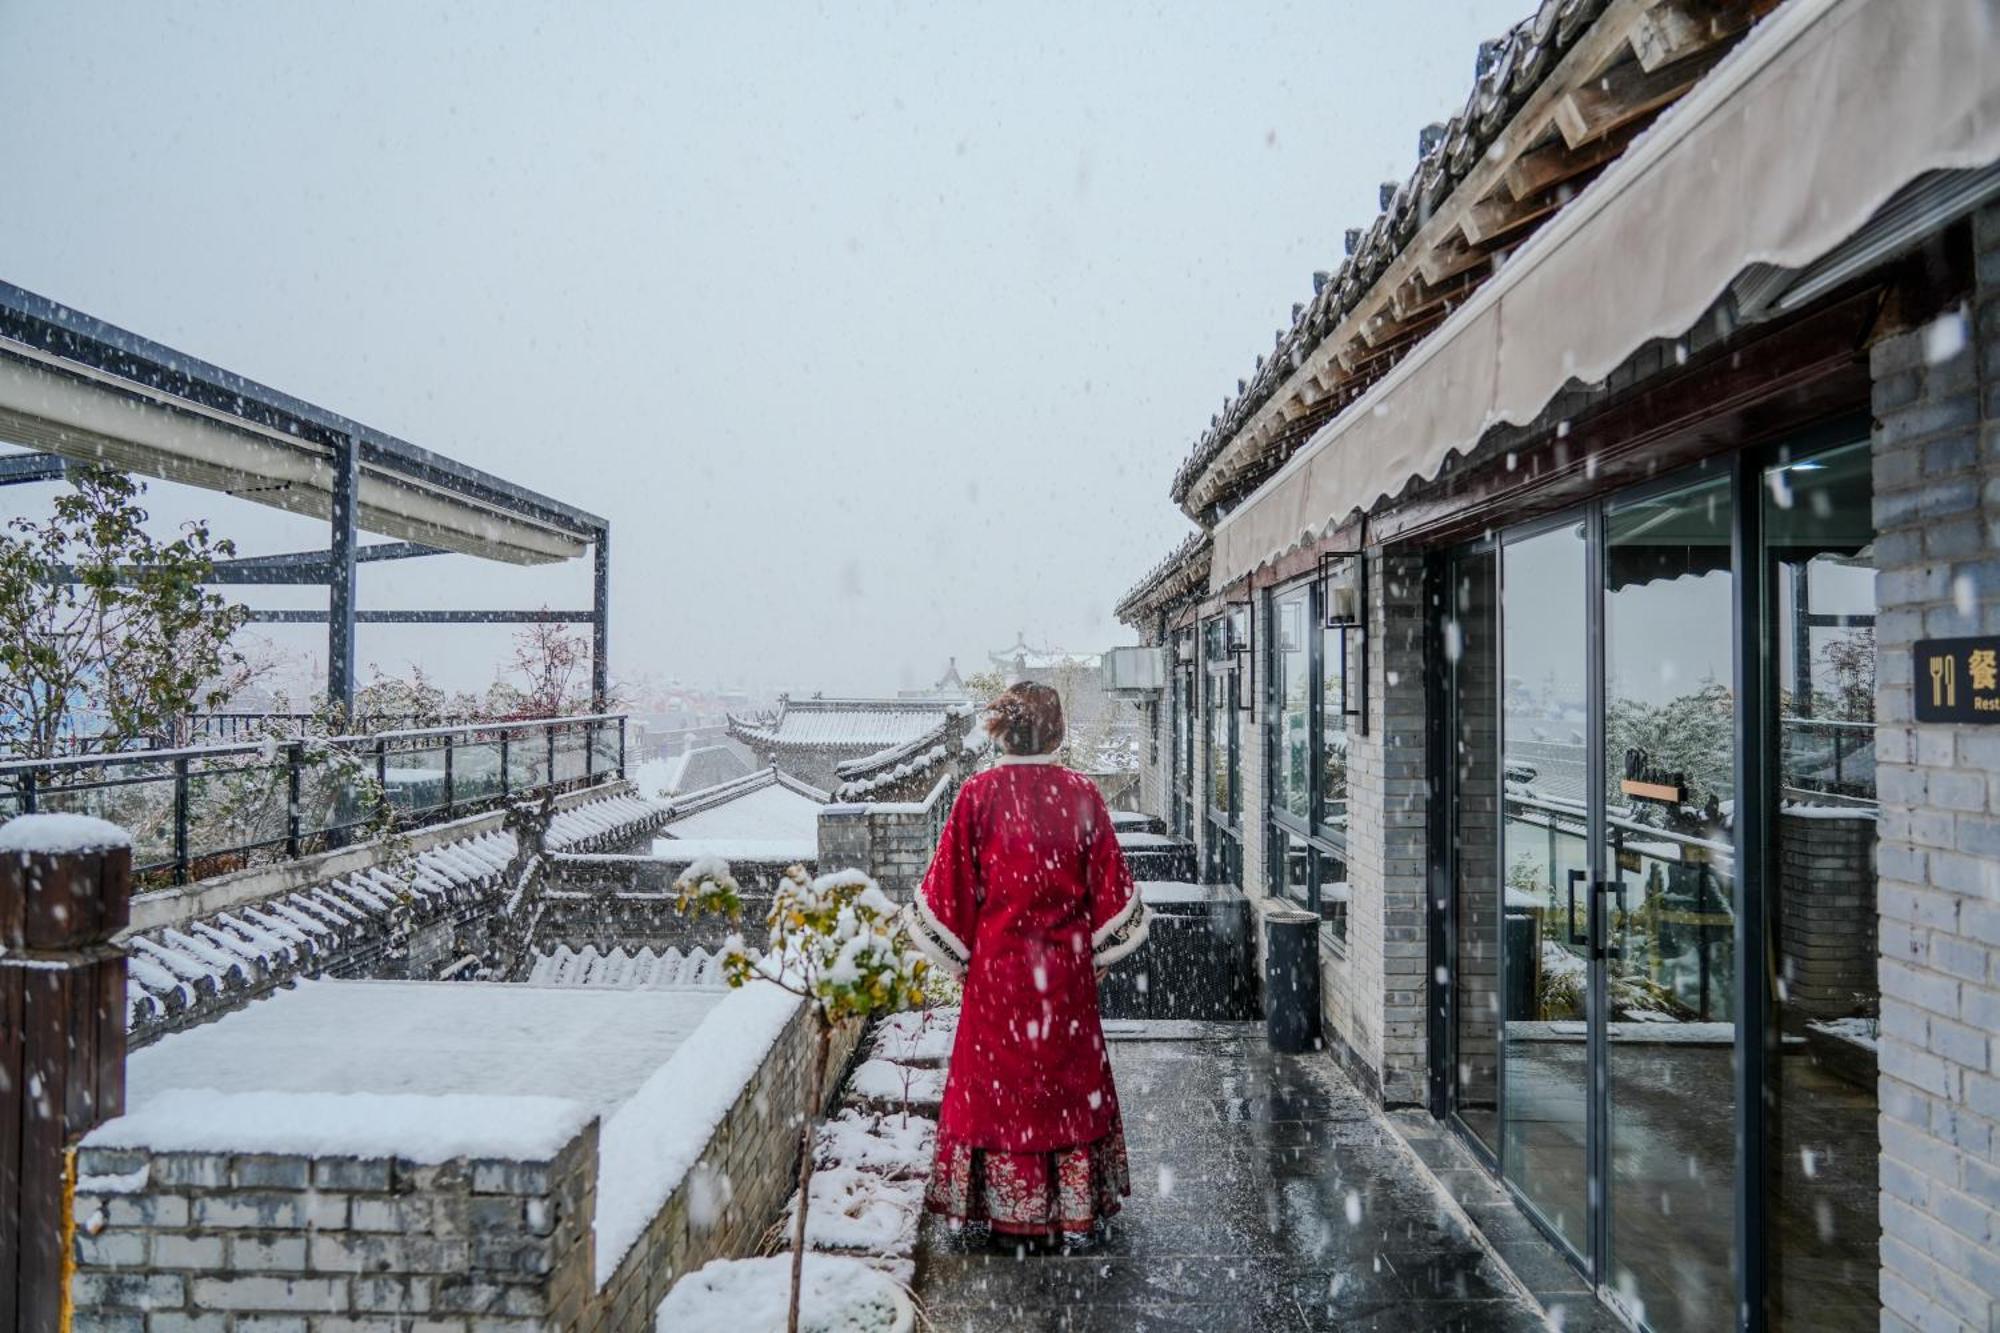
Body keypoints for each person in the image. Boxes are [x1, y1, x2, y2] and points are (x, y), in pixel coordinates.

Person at [910, 680, 1150, 1250]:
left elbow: (948, 899)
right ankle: (1070, 1210)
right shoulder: (1082, 795)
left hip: (996, 981)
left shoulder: (977, 796)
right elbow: (1113, 901)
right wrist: (1091, 960)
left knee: (997, 1098)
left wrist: (966, 965)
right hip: (1064, 980)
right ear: (1058, 730)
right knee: (1065, 1095)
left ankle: (995, 1208)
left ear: (1003, 730)